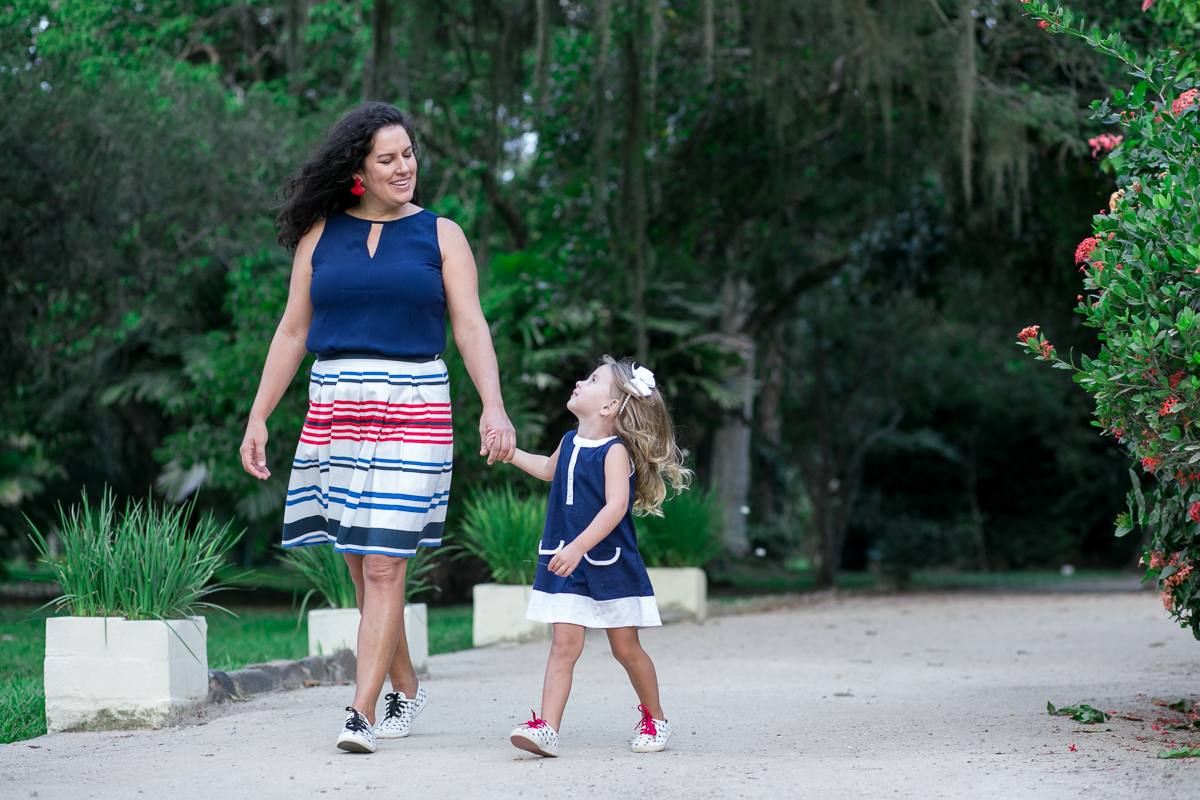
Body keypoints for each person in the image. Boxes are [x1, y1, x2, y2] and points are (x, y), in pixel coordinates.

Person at [238, 102, 516, 754]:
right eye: (388, 158)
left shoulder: (441, 235)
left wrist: (493, 405)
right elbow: (293, 330)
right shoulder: (320, 236)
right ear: (358, 169)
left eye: (408, 155)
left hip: (414, 404)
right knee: (362, 568)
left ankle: (359, 713)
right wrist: (258, 414)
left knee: (388, 565)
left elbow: (471, 326)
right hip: (336, 404)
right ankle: (405, 687)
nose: (404, 167)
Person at [487, 356, 691, 757]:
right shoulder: (568, 442)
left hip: (608, 564)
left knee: (625, 649)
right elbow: (548, 470)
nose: (580, 381)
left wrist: (579, 546)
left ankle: (656, 718)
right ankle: (546, 727)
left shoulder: (615, 452)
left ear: (608, 407)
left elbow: (616, 506)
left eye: (593, 379)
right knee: (563, 644)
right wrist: (510, 453)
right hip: (565, 561)